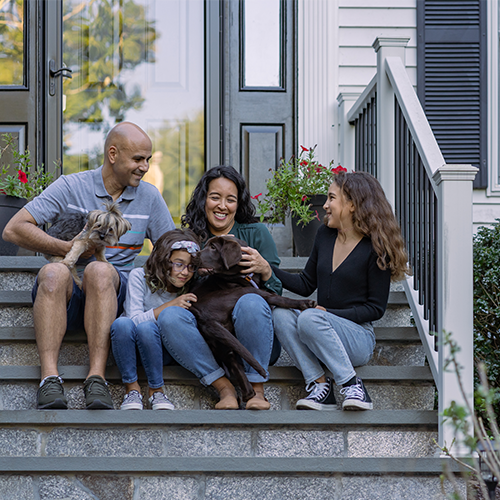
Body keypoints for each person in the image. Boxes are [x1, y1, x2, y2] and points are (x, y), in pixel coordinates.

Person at [2, 122, 175, 410]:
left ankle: (97, 379)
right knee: (53, 271)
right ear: (112, 154)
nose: (144, 167)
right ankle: (49, 379)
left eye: (147, 159)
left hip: (109, 293)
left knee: (99, 270)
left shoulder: (149, 197)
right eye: (137, 159)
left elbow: (170, 250)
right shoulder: (71, 186)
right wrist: (69, 249)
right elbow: (14, 229)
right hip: (65, 297)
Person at [272, 171, 409, 411]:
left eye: (331, 198)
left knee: (311, 317)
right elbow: (306, 284)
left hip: (357, 337)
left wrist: (328, 314)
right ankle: (320, 386)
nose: (325, 205)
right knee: (280, 315)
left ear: (353, 204)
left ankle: (351, 384)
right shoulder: (325, 235)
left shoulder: (375, 248)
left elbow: (375, 309)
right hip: (319, 325)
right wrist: (268, 270)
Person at [159, 166, 282, 410]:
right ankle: (224, 388)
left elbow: (276, 294)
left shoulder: (256, 234)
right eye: (215, 197)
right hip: (208, 339)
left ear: (239, 203)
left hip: (252, 336)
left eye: (231, 199)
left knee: (251, 301)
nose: (222, 206)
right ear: (204, 199)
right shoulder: (190, 239)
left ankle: (256, 390)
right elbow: (174, 289)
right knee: (170, 315)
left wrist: (266, 270)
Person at [110, 229, 200, 411]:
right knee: (122, 323)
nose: (185, 272)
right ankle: (132, 389)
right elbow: (133, 320)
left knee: (147, 329)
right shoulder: (139, 276)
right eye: (179, 264)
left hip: (165, 350)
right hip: (129, 348)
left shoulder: (192, 288)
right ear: (163, 260)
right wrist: (170, 305)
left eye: (191, 266)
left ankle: (156, 390)